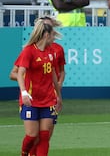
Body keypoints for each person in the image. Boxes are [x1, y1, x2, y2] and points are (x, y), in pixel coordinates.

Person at [9, 16, 65, 156]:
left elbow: (54, 75)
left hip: (48, 100)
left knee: (45, 136)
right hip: (32, 101)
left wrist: (58, 96)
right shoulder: (29, 51)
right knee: (32, 136)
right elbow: (19, 72)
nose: (54, 37)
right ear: (46, 34)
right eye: (53, 34)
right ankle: (24, 153)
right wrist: (24, 92)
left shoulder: (51, 52)